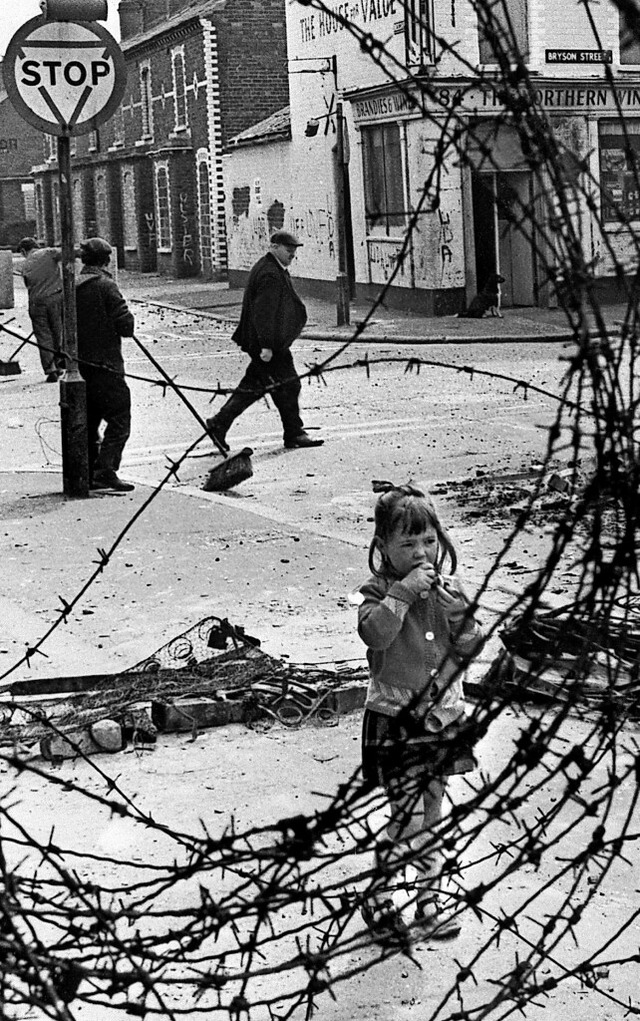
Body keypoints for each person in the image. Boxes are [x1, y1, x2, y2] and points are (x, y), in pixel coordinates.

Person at [355, 484, 484, 946]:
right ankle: (379, 894)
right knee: (405, 816)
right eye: (406, 544)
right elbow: (377, 636)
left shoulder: (449, 591)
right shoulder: (377, 592)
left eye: (427, 541)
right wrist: (402, 595)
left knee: (433, 808)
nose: (420, 552)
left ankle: (430, 899)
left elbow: (470, 647)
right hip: (395, 717)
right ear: (383, 548)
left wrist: (462, 617)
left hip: (443, 717)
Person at [206, 231, 324, 451]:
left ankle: (219, 424)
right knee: (288, 384)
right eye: (289, 250)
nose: (292, 255)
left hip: (268, 343)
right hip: (268, 345)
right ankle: (294, 432)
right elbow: (264, 313)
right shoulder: (270, 274)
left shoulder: (271, 267)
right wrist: (266, 346)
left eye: (294, 251)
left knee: (258, 386)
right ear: (275, 247)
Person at [75, 237, 135, 493]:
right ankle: (106, 470)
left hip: (79, 364)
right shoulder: (106, 286)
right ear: (106, 260)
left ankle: (89, 469)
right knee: (120, 416)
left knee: (90, 419)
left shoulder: (74, 285)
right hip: (106, 364)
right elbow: (126, 326)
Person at [19, 237, 64, 382]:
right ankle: (60, 362)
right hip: (55, 299)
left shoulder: (25, 264)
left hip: (36, 303)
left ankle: (51, 370)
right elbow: (70, 253)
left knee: (43, 336)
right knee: (58, 332)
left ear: (23, 251)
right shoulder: (49, 253)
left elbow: (27, 284)